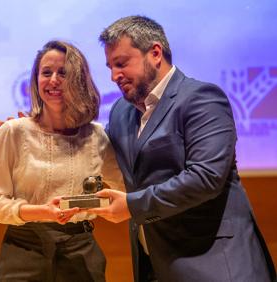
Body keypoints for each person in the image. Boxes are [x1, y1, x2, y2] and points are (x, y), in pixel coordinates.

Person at [87, 15, 276, 282]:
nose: (114, 75)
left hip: (216, 265)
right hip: (155, 265)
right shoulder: (120, 112)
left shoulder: (202, 99)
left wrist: (132, 205)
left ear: (155, 53)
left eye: (121, 63)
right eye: (110, 66)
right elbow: (95, 155)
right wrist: (33, 130)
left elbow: (205, 178)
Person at [0, 40, 123, 282]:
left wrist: (103, 206)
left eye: (63, 73)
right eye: (46, 72)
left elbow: (125, 190)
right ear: (36, 81)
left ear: (79, 79)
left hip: (82, 252)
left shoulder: (97, 136)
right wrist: (43, 212)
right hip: (24, 249)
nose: (54, 80)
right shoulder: (13, 132)